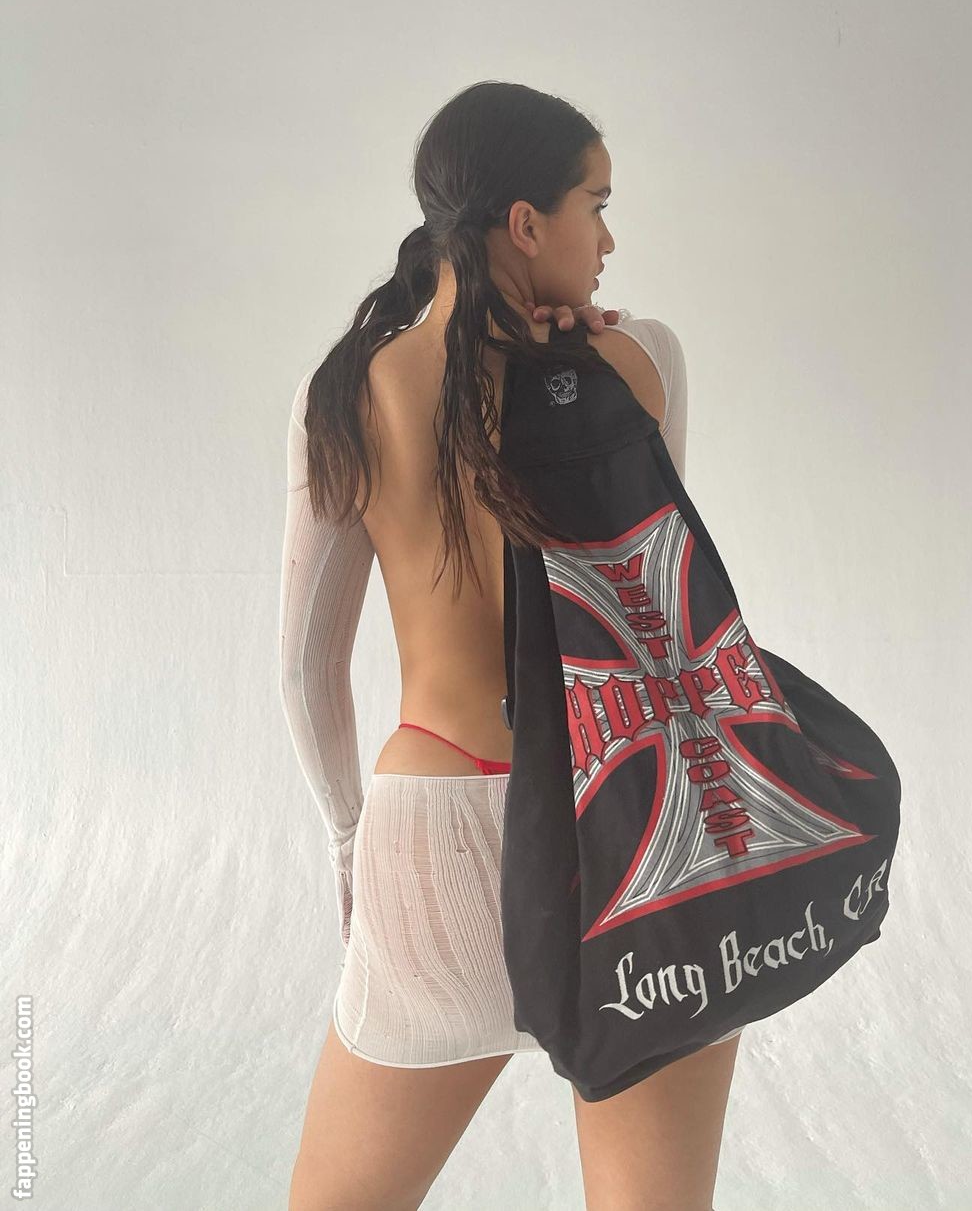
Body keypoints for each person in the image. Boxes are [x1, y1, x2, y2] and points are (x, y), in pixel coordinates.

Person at [280, 81, 742, 1211]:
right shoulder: (643, 360)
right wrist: (586, 377)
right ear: (527, 224)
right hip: (627, 830)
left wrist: (348, 839)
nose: (609, 240)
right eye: (597, 204)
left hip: (431, 836)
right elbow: (651, 593)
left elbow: (305, 671)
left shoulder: (346, 392)